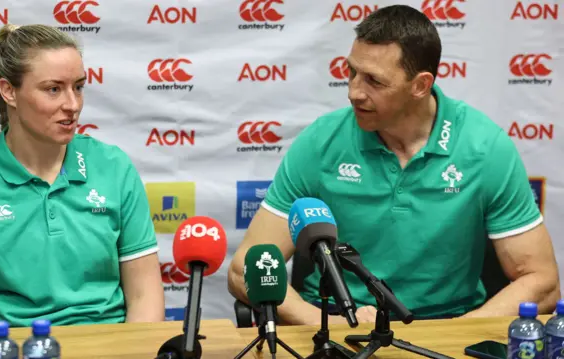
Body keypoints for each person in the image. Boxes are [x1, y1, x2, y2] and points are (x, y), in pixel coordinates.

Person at [227, 5, 560, 325]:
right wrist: (325, 321)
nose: (354, 92)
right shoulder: (320, 143)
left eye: (374, 81)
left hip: (445, 325)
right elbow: (246, 269)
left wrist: (457, 333)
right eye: (352, 72)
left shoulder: (485, 148)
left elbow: (541, 281)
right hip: (335, 324)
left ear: (420, 85)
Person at [0, 24, 165, 329]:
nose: (73, 105)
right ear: (9, 91)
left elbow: (145, 301)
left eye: (78, 87)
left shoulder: (114, 167)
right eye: (53, 89)